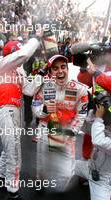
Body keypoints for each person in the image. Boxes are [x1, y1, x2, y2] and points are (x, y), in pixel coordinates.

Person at [0, 37, 43, 200]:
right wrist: (37, 38)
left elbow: (29, 90)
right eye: (16, 52)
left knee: (9, 150)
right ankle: (13, 194)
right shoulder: (0, 65)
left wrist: (40, 76)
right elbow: (23, 55)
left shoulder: (17, 72)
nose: (19, 58)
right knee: (14, 153)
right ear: (9, 55)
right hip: (6, 111)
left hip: (16, 112)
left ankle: (1, 179)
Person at [32, 55, 88, 192]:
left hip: (66, 130)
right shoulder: (43, 86)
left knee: (65, 179)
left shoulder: (79, 89)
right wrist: (44, 110)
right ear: (50, 72)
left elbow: (81, 114)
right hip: (46, 128)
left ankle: (83, 170)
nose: (60, 71)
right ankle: (39, 180)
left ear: (68, 69)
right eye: (55, 68)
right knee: (42, 166)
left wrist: (72, 131)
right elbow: (36, 109)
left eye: (63, 67)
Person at [75, 105, 111, 200]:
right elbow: (85, 129)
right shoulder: (107, 125)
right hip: (90, 168)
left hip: (103, 179)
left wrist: (99, 119)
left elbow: (98, 141)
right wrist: (91, 115)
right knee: (64, 165)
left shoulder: (102, 125)